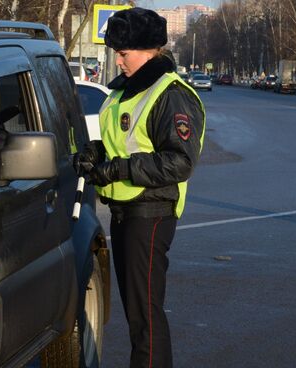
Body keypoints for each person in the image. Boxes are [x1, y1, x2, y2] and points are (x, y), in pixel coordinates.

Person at [73, 7, 205, 368]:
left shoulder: (170, 94)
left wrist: (118, 169)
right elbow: (123, 141)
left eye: (123, 53)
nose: (118, 60)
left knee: (145, 315)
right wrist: (95, 153)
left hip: (151, 212)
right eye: (117, 52)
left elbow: (180, 161)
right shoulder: (124, 92)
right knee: (138, 314)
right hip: (125, 211)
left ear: (149, 51)